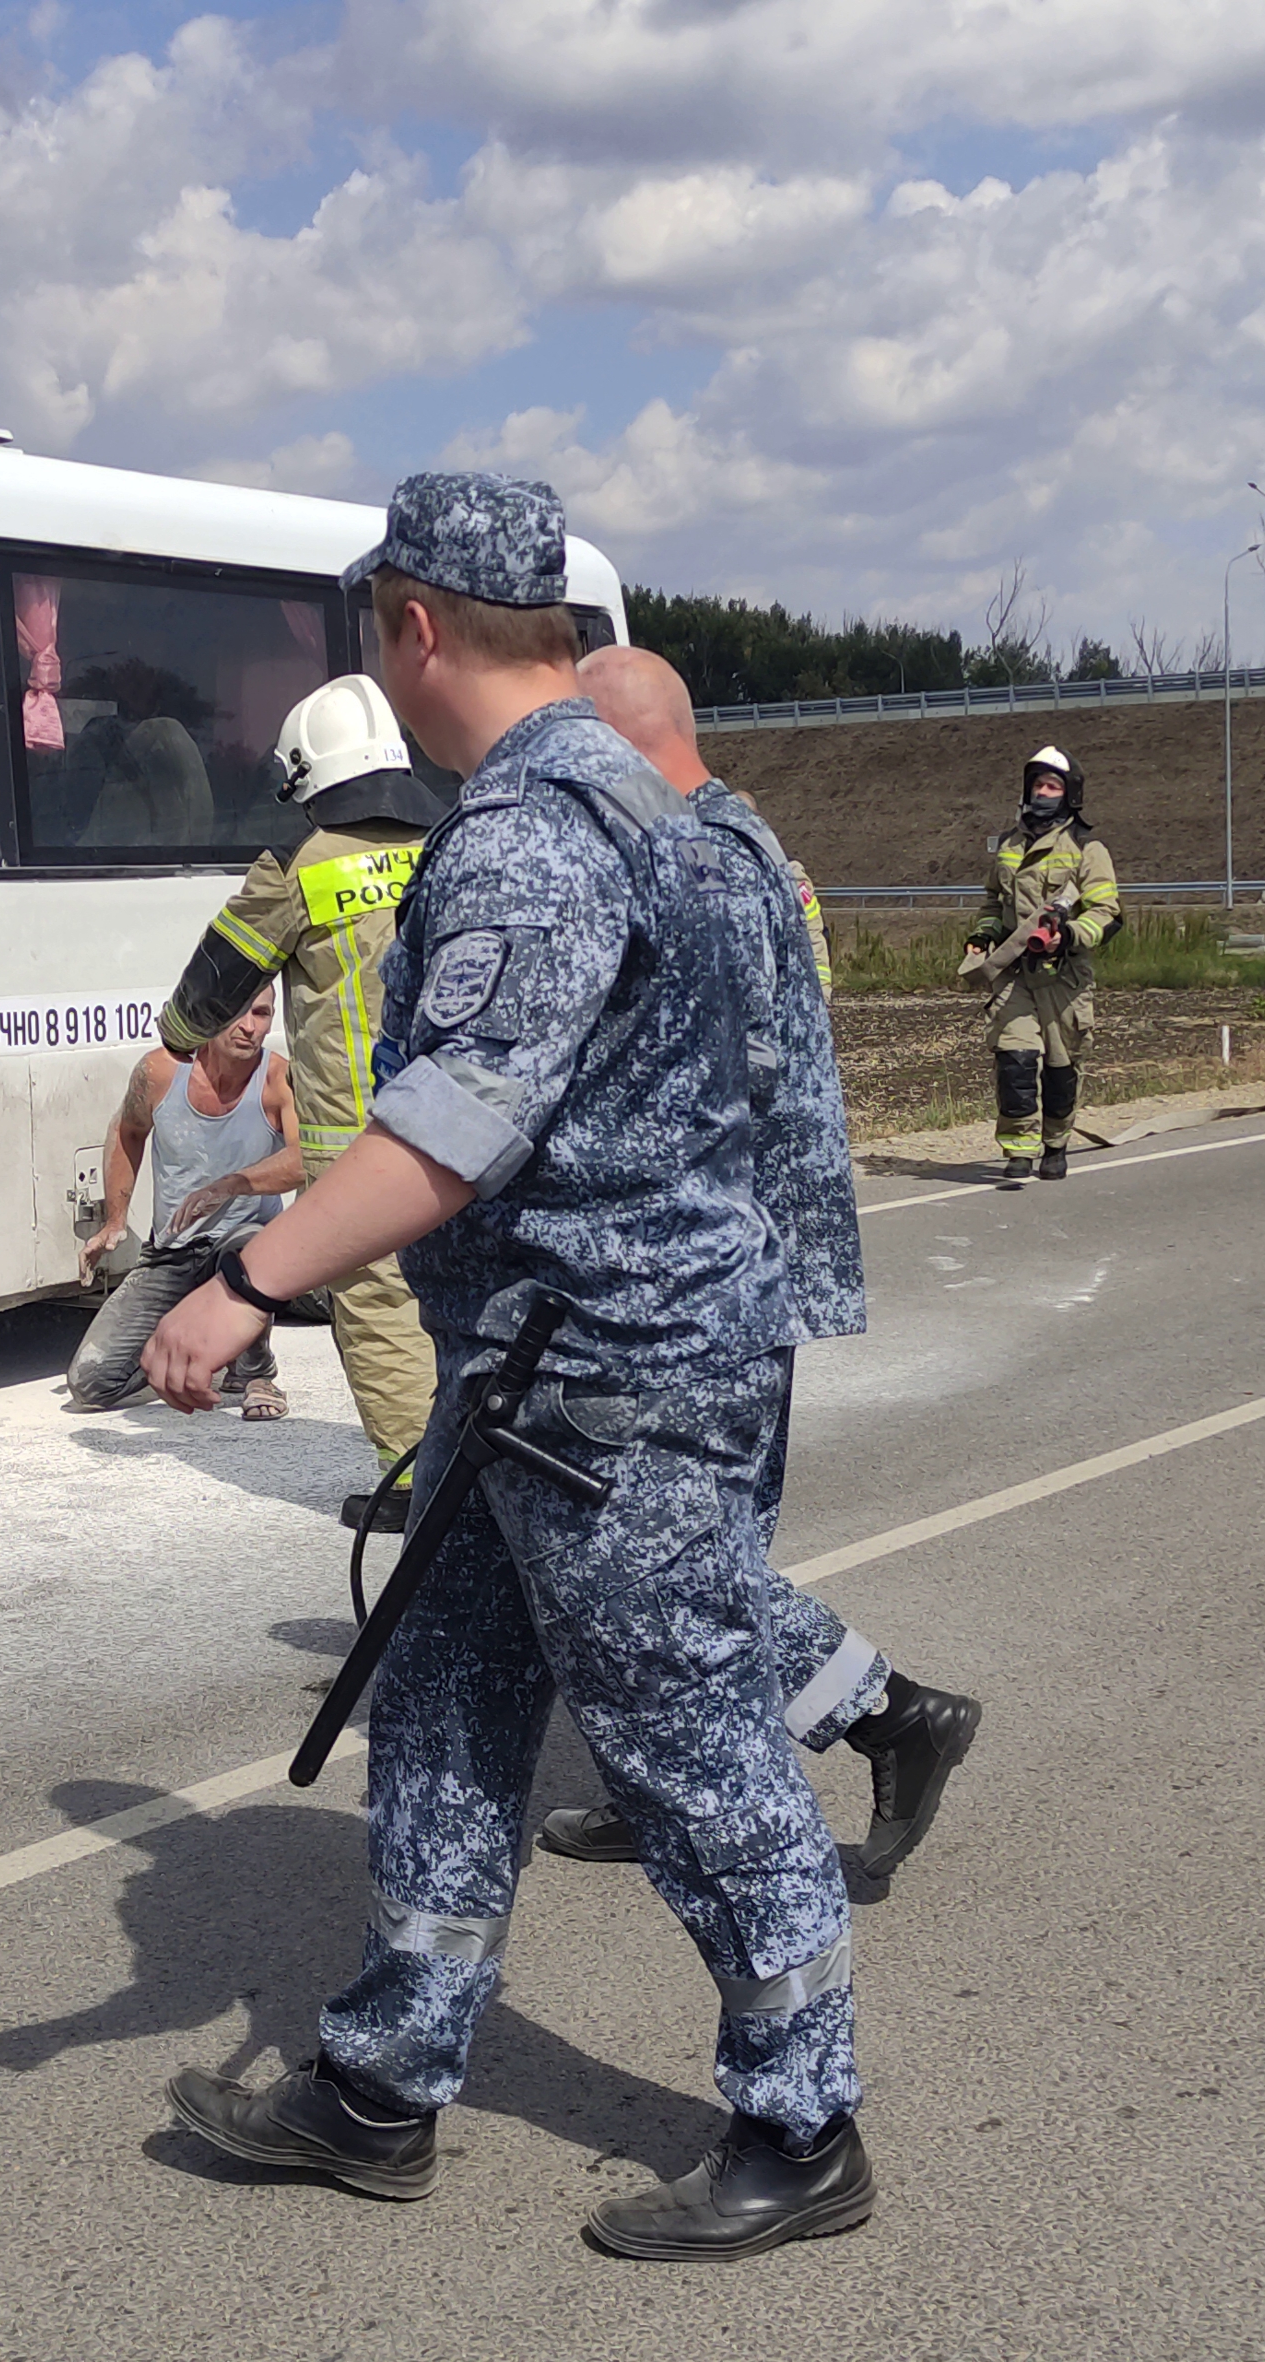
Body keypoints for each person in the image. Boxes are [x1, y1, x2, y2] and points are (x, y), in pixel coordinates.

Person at [143, 471, 873, 2260]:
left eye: (376, 633)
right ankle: (387, 2078)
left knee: (691, 1741)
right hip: (543, 1372)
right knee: (450, 1708)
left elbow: (445, 1135)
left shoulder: (540, 832)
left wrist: (239, 1281)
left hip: (604, 1382)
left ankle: (806, 2118)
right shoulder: (662, 811)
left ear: (414, 624)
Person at [546, 643, 980, 1880]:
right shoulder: (729, 842)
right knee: (692, 1547)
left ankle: (891, 1712)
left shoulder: (708, 863)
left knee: (674, 1555)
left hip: (709, 1267)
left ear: (619, 742)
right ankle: (676, 1781)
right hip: (734, 1256)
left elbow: (723, 1080)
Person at [158, 674, 449, 1531]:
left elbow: (215, 987)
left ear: (306, 776)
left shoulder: (300, 866)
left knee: (381, 1305)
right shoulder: (456, 841)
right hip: (471, 1124)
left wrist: (178, 1036)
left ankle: (418, 1488)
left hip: (362, 1138)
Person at [65, 984, 299, 1418]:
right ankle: (190, 1352)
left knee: (252, 1249)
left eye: (262, 1015)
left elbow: (306, 1159)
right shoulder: (160, 1072)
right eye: (237, 1014)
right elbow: (127, 1130)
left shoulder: (277, 1079)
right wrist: (115, 1219)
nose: (250, 1028)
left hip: (243, 1245)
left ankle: (254, 1372)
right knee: (91, 1384)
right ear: (211, 1014)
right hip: (172, 1253)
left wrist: (231, 1185)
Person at [968, 745, 1121, 1183]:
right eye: (1038, 784)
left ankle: (1055, 1144)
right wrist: (982, 937)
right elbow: (994, 902)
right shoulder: (1010, 845)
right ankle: (1018, 1150)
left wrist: (1068, 935)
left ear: (1069, 793)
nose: (1043, 792)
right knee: (1015, 1061)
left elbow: (1108, 915)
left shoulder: (1087, 849)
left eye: (1052, 785)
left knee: (1060, 1067)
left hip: (1065, 979)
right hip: (1016, 975)